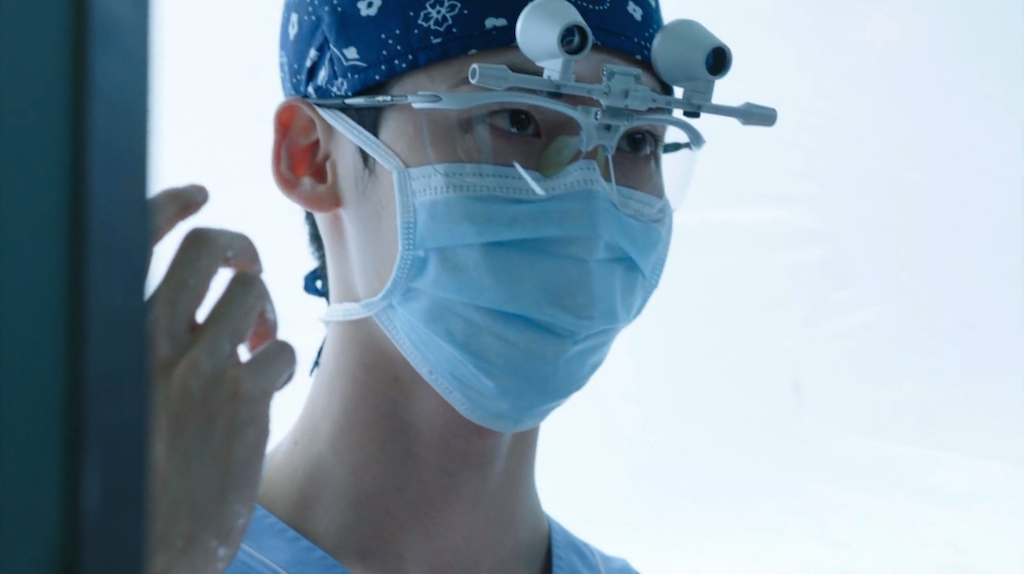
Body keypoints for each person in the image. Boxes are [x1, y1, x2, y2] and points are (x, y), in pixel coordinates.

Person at [145, 0, 773, 572]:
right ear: (312, 156)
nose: (587, 196)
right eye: (517, 118)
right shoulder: (154, 550)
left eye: (635, 138)